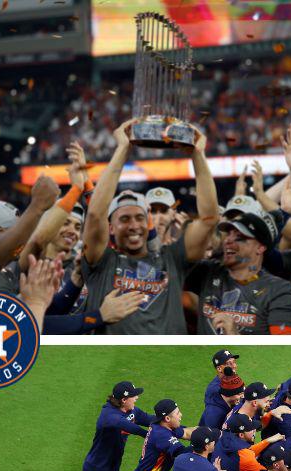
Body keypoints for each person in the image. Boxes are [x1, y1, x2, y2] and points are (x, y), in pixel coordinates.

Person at [78, 121, 215, 334]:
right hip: (116, 356)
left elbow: (209, 219)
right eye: (124, 219)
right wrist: (123, 149)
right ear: (111, 228)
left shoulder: (172, 258)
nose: (134, 225)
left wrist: (198, 155)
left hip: (168, 355)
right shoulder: (102, 261)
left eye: (139, 218)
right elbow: (95, 214)